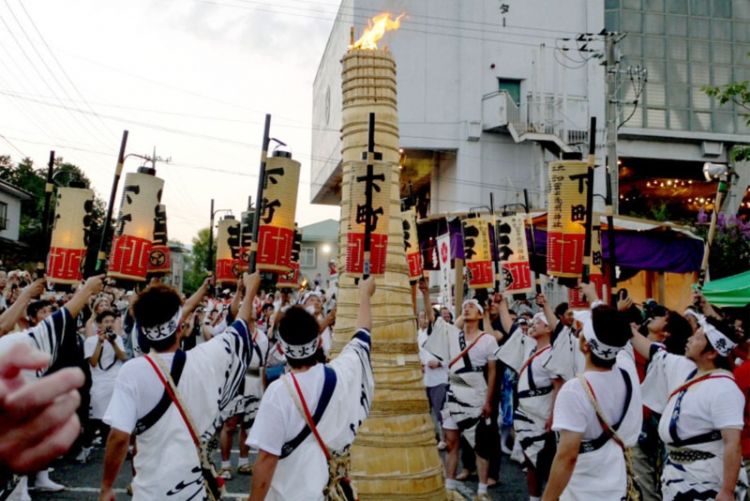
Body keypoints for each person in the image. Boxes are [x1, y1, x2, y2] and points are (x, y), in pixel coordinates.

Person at [99, 272, 260, 501]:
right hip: (192, 492)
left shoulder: (132, 372)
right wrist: (249, 290)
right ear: (180, 326)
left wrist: (106, 486)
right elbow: (241, 329)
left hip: (150, 492)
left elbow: (118, 437)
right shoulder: (205, 359)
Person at [246, 277, 375, 501]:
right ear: (317, 343)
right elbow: (362, 336)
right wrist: (364, 295)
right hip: (327, 493)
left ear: (283, 348)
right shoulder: (339, 375)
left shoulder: (277, 393)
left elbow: (266, 460)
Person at [632, 310, 746, 500]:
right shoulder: (683, 367)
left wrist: (727, 490)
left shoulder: (725, 388)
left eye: (698, 338)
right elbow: (653, 352)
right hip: (676, 475)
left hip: (707, 478)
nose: (690, 339)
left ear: (711, 352)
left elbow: (732, 442)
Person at [541, 284, 642, 501]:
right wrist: (594, 297)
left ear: (585, 344)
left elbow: (567, 457)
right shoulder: (627, 368)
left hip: (583, 490)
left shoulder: (574, 391)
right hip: (618, 484)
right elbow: (614, 332)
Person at [422, 287, 499, 501]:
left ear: (480, 314)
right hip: (453, 389)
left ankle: (482, 491)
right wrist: (425, 294)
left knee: (479, 443)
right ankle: (449, 486)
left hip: (475, 390)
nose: (467, 309)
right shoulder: (452, 335)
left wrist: (488, 400)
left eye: (471, 307)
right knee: (451, 441)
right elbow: (432, 320)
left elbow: (492, 372)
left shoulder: (488, 340)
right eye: (464, 307)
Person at [496, 297, 562, 501]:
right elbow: (511, 328)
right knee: (529, 459)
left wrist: (553, 414)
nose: (531, 326)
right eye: (531, 323)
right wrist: (502, 305)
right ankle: (533, 498)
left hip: (542, 409)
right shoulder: (527, 346)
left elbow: (557, 385)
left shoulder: (554, 352)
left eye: (537, 323)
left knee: (547, 458)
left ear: (549, 328)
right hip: (524, 410)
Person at [417, 303, 448, 450]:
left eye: (425, 317)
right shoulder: (418, 335)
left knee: (440, 410)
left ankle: (444, 437)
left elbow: (451, 355)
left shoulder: (442, 335)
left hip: (439, 378)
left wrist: (439, 363)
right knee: (425, 411)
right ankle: (430, 436)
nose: (422, 320)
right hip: (424, 378)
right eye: (420, 317)